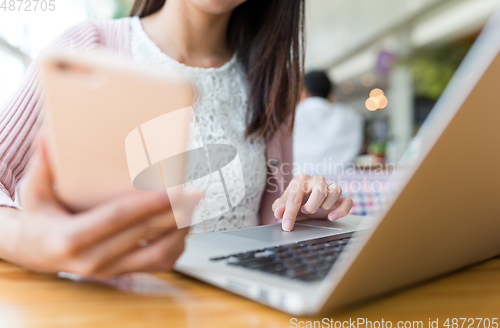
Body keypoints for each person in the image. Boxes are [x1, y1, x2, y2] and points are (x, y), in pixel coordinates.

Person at [0, 0, 353, 276]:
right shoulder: (89, 44)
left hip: (233, 311)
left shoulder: (271, 85)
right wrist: (27, 239)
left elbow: (271, 225)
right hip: (104, 306)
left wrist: (303, 212)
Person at [294, 71, 364, 176]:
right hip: (345, 183)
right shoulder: (352, 115)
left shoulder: (290, 116)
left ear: (303, 90)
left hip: (299, 185)